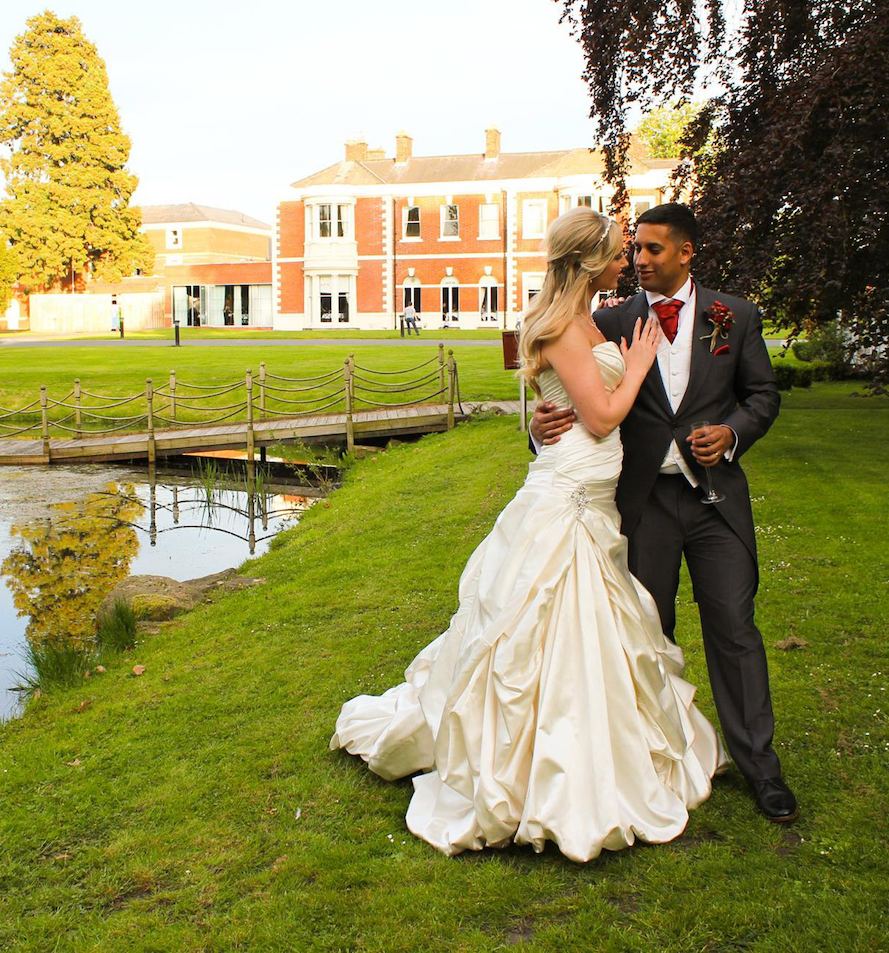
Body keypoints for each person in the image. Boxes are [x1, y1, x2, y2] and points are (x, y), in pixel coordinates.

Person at [331, 207, 725, 861]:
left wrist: (557, 412)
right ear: (591, 260)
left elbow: (564, 405)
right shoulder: (565, 326)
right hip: (572, 489)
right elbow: (599, 419)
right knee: (550, 621)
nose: (627, 261)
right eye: (617, 254)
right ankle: (548, 771)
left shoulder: (577, 319)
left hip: (584, 486)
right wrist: (634, 368)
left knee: (581, 619)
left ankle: (584, 747)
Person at [529, 202, 795, 824]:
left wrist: (731, 433)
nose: (638, 261)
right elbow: (571, 406)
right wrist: (541, 429)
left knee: (734, 627)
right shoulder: (605, 319)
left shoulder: (736, 315)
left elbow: (762, 395)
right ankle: (657, 757)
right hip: (639, 502)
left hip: (715, 501)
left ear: (685, 252)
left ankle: (762, 768)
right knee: (646, 633)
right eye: (633, 250)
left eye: (651, 250)